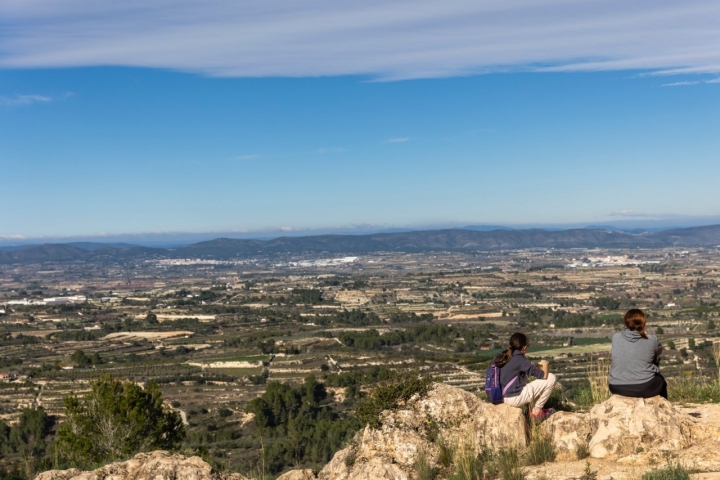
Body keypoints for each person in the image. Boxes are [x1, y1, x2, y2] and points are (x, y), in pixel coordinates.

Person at [495, 332, 556, 420]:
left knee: (526, 380)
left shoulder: (502, 356)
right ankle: (537, 412)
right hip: (514, 398)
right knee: (551, 378)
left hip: (501, 397)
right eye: (527, 345)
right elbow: (543, 376)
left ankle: (529, 409)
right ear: (524, 347)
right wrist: (545, 364)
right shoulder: (520, 359)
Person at [609, 309, 667, 399]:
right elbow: (658, 352)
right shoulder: (651, 339)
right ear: (643, 322)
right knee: (661, 380)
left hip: (616, 386)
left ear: (626, 322)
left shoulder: (616, 337)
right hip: (645, 387)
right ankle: (663, 409)